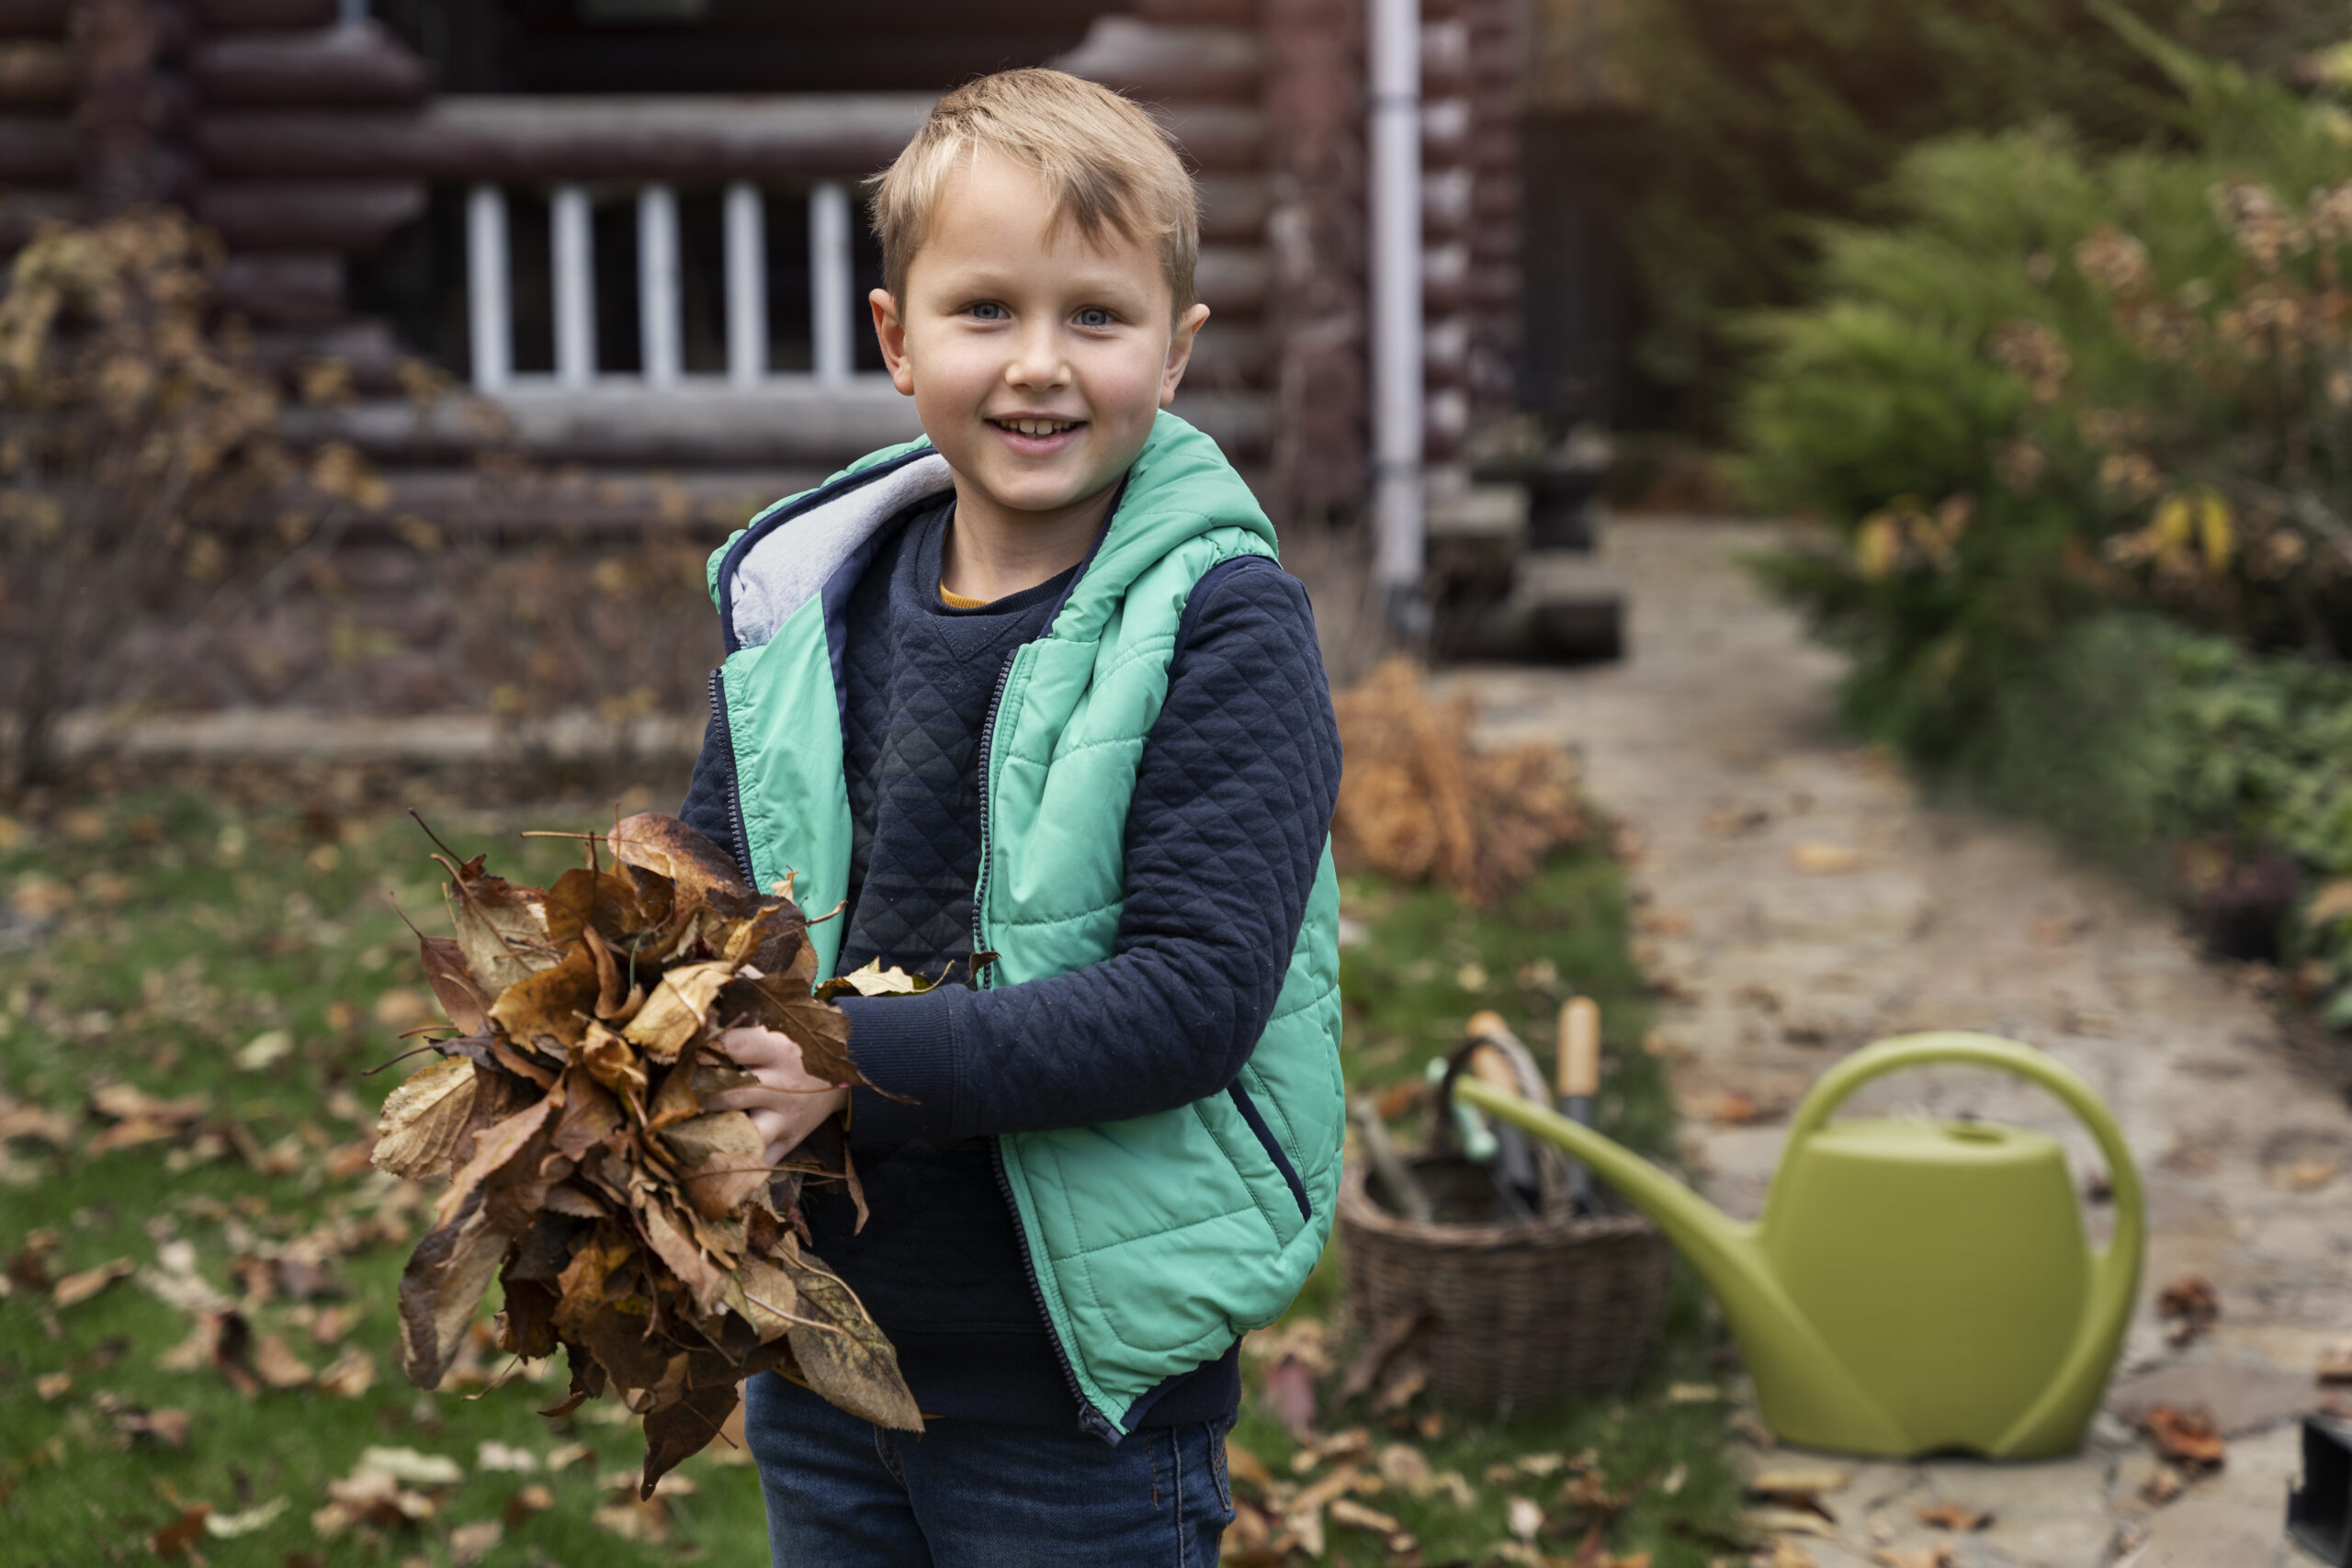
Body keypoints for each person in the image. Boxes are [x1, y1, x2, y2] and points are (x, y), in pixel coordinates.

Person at [676, 67, 1345, 1566]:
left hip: (1079, 1400)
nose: (1040, 365)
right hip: (825, 1350)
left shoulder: (1221, 628)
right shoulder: (809, 612)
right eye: (987, 311)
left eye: (1095, 319)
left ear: (1173, 356)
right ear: (897, 340)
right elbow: (710, 895)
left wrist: (843, 1064)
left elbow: (1192, 1002)